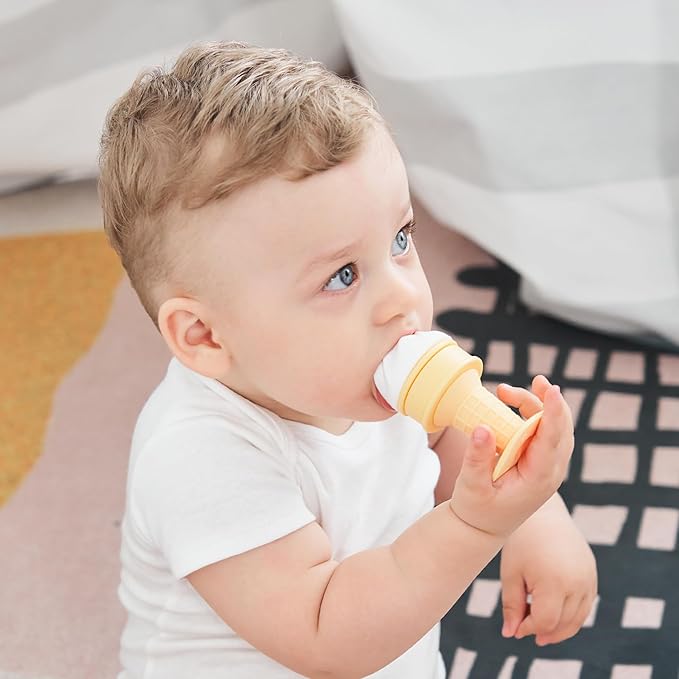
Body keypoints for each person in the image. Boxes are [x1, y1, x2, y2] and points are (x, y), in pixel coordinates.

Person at [98, 41, 597, 679]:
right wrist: (477, 526)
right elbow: (327, 636)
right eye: (342, 276)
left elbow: (449, 437)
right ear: (205, 336)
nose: (402, 299)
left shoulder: (375, 352)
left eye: (400, 239)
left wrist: (533, 515)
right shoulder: (198, 456)